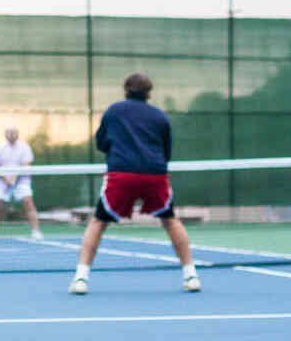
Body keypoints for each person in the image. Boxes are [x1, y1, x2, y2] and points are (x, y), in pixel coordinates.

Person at [69, 72, 200, 295]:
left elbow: (101, 143)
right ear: (149, 92)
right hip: (155, 174)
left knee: (98, 222)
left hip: (122, 175)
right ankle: (191, 275)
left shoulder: (113, 112)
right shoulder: (160, 117)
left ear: (126, 89)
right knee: (170, 220)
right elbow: (166, 151)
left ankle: (81, 278)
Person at [0, 126, 43, 241]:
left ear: (18, 134)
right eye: (9, 132)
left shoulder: (25, 147)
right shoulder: (0, 148)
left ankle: (36, 231)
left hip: (22, 180)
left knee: (28, 202)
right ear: (5, 134)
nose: (12, 134)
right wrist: (6, 179)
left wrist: (14, 177)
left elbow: (26, 164)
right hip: (3, 181)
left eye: (14, 132)